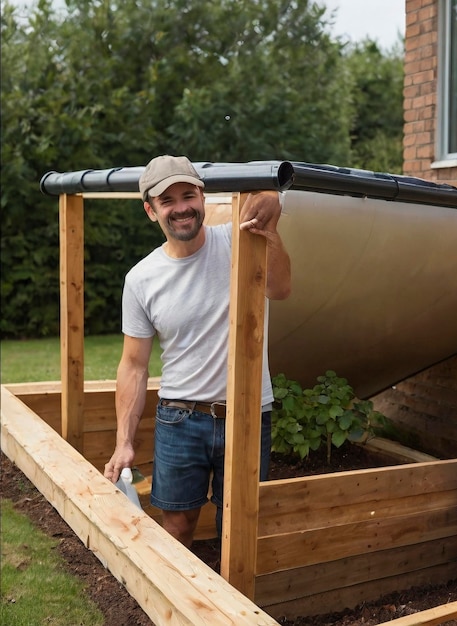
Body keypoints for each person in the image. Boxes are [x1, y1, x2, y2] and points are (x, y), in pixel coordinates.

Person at [104, 154, 291, 548]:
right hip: (179, 419)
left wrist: (271, 207)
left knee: (239, 530)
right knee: (177, 528)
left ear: (203, 197)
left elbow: (281, 288)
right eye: (167, 201)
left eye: (188, 195)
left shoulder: (240, 238)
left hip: (247, 414)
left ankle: (233, 608)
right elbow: (134, 366)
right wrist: (124, 440)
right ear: (150, 211)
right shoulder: (141, 279)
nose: (181, 207)